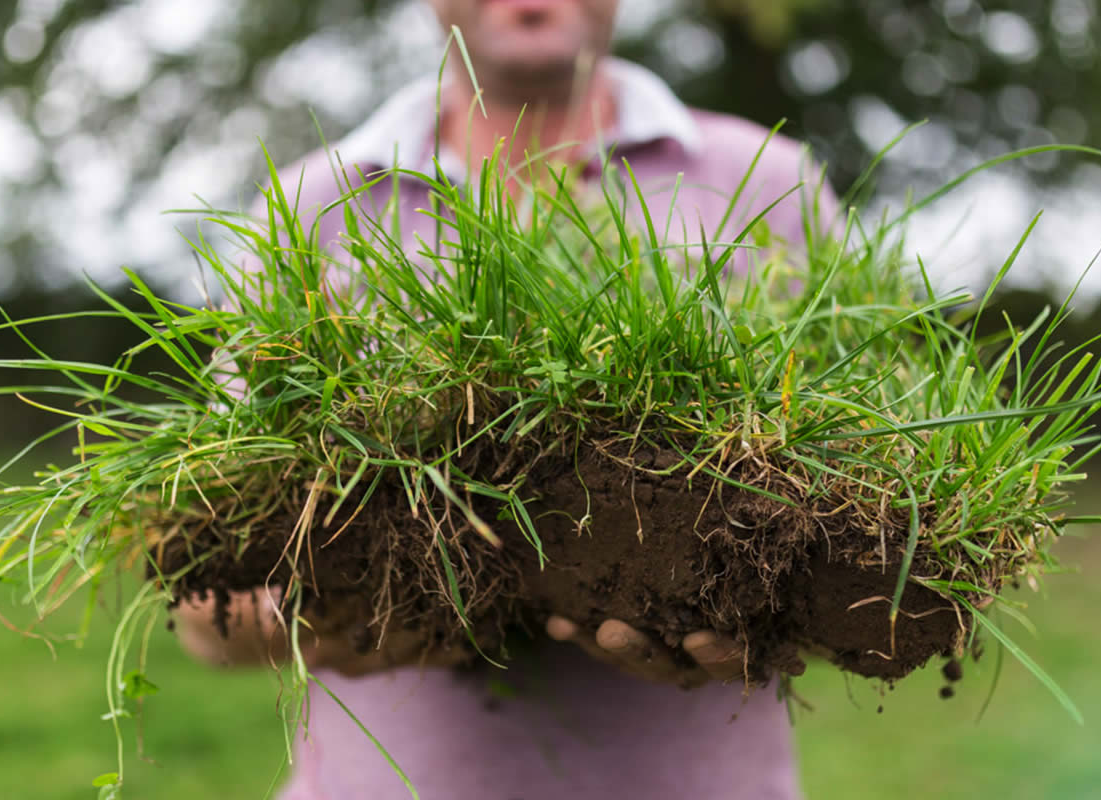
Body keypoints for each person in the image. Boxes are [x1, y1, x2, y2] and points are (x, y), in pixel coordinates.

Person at [174, 1, 839, 797]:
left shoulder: (764, 178)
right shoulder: (316, 204)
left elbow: (881, 515)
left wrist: (780, 606)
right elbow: (208, 582)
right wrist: (294, 615)